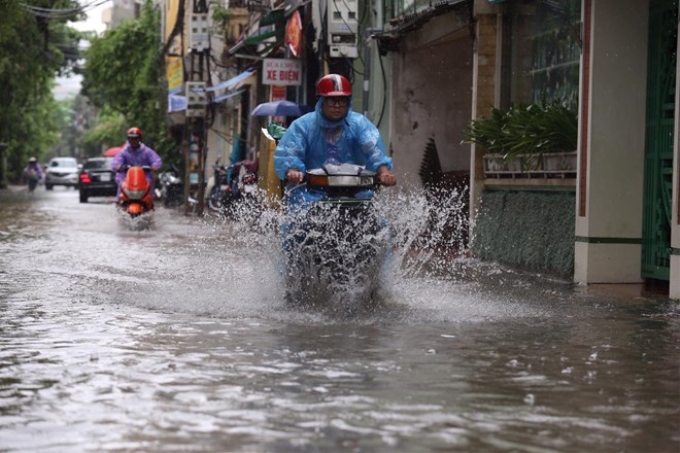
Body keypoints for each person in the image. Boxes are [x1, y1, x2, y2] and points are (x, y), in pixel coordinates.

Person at [274, 74, 396, 197]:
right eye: (332, 101)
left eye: (342, 101)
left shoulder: (359, 124)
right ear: (321, 101)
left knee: (370, 209)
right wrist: (293, 171)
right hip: (311, 190)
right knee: (300, 207)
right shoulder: (302, 126)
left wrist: (384, 173)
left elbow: (373, 150)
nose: (337, 106)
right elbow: (290, 153)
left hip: (354, 189)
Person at [111, 127, 162, 202]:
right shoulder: (124, 152)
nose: (133, 141)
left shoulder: (146, 151)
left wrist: (155, 166)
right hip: (126, 178)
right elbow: (116, 162)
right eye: (131, 138)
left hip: (144, 177)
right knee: (121, 184)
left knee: (149, 187)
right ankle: (120, 202)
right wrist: (118, 166)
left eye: (135, 138)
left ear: (139, 139)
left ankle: (149, 203)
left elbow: (156, 160)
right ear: (128, 139)